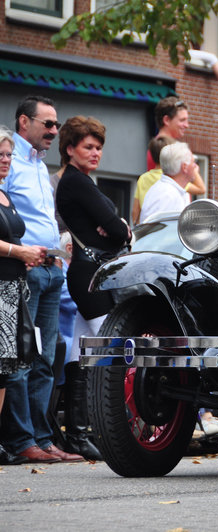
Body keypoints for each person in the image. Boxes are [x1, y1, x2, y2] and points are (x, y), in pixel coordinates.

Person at [0, 96, 79, 464]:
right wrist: (20, 252)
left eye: (56, 124)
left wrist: (59, 251)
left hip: (51, 269)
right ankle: (22, 441)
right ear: (23, 123)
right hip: (25, 271)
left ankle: (44, 440)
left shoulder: (39, 166)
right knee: (20, 358)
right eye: (47, 123)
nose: (53, 131)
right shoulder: (10, 162)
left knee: (46, 360)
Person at [55, 117, 131, 460]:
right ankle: (98, 431)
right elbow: (117, 230)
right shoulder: (78, 182)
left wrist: (116, 227)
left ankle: (79, 434)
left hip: (88, 272)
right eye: (88, 147)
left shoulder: (81, 181)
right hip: (90, 275)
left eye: (99, 147)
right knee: (110, 350)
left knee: (81, 355)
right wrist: (120, 229)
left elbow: (113, 227)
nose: (96, 153)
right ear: (70, 148)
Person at [0, 126, 48, 465]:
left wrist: (28, 257)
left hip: (14, 288)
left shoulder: (5, 194)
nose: (4, 160)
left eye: (7, 154)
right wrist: (19, 253)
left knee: (5, 367)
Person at [144, 97, 206, 199]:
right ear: (166, 120)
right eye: (182, 120)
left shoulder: (158, 146)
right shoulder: (166, 149)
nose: (187, 125)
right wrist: (193, 170)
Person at [139, 142, 195, 222]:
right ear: (184, 167)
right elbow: (155, 230)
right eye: (193, 162)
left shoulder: (170, 191)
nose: (196, 166)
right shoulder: (166, 194)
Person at [131, 136, 176, 225]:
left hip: (147, 227)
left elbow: (135, 211)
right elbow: (201, 188)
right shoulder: (171, 178)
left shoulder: (143, 178)